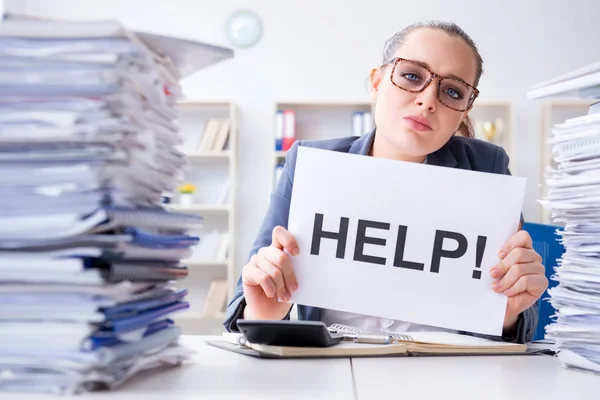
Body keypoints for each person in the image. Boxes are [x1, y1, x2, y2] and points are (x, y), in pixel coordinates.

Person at [223, 20, 548, 343]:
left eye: (452, 91)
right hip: (334, 373)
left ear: (464, 111)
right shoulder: (309, 164)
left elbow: (521, 321)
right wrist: (263, 312)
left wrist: (506, 313)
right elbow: (247, 308)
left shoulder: (486, 167)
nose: (428, 101)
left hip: (444, 372)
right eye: (411, 76)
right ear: (377, 83)